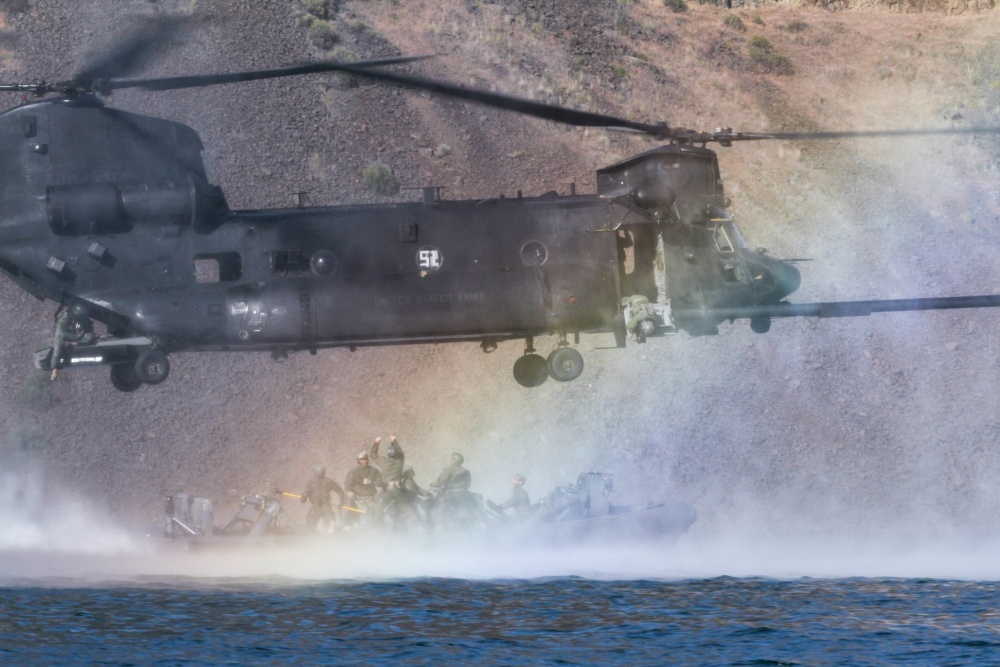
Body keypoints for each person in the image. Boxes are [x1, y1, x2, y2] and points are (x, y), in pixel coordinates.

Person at [370, 435, 405, 525]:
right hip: (399, 490)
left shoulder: (383, 461)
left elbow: (373, 455)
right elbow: (401, 453)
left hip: (389, 492)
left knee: (378, 510)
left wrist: (376, 443)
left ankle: (373, 529)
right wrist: (394, 442)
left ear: (388, 454)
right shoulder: (400, 462)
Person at [343, 451, 384, 526]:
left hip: (371, 498)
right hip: (358, 499)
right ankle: (346, 525)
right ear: (358, 461)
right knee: (354, 510)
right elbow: (347, 485)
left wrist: (372, 483)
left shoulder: (374, 471)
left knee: (380, 511)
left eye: (366, 459)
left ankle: (376, 528)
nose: (364, 461)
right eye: (362, 459)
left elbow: (380, 484)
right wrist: (350, 492)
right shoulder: (353, 472)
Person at [300, 463, 344, 533]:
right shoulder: (329, 481)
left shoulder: (311, 482)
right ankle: (331, 538)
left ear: (314, 472)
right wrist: (341, 502)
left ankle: (314, 539)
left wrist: (303, 498)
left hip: (316, 507)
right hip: (327, 507)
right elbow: (340, 491)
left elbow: (304, 497)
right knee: (330, 525)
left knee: (310, 524)